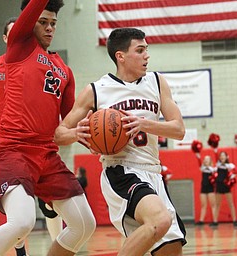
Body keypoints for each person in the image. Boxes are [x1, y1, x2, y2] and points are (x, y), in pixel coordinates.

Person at [0, 1, 96, 255]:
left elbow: (66, 129)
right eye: (43, 22)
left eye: (53, 24)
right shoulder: (19, 46)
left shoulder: (65, 71)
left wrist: (88, 136)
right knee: (22, 222)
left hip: (47, 154)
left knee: (84, 224)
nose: (49, 28)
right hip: (13, 150)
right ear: (30, 21)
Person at [55, 27, 187, 255]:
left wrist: (145, 124)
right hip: (121, 172)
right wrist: (79, 133)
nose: (147, 55)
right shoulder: (97, 90)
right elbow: (60, 134)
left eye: (147, 49)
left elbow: (179, 129)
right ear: (121, 56)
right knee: (160, 220)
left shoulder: (157, 82)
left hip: (154, 173)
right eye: (140, 50)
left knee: (171, 249)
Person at [0, 16, 63, 256]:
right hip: (10, 144)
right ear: (5, 38)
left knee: (53, 206)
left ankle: (57, 246)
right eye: (13, 33)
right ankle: (19, 250)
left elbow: (48, 98)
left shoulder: (39, 64)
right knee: (20, 212)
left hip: (41, 143)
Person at [212, 151, 237, 227]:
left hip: (226, 186)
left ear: (227, 157)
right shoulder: (217, 165)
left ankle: (234, 220)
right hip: (219, 185)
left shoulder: (229, 165)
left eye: (223, 155)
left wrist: (231, 176)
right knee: (217, 204)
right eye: (221, 156)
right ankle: (215, 221)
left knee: (230, 204)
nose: (222, 157)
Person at [195, 153, 217, 226]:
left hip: (210, 188)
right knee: (203, 205)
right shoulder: (203, 168)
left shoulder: (213, 169)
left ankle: (215, 221)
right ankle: (201, 220)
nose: (206, 160)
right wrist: (198, 156)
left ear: (210, 161)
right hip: (203, 187)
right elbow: (199, 164)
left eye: (208, 159)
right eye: (205, 159)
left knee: (213, 204)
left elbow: (215, 173)